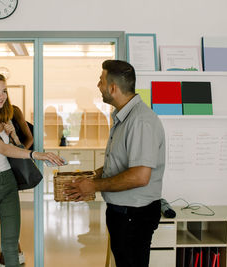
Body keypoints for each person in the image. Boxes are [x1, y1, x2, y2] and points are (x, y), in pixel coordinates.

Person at [65, 60, 165, 267]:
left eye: (100, 81)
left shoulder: (140, 121)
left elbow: (140, 176)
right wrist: (94, 176)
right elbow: (119, 164)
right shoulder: (123, 118)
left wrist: (93, 186)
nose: (98, 86)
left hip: (134, 216)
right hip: (123, 213)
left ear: (113, 87)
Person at [0, 73, 64, 267]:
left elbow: (14, 150)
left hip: (8, 183)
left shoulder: (5, 123)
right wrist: (38, 154)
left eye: (4, 91)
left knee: (11, 245)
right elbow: (1, 149)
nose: (1, 96)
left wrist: (14, 136)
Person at [0, 104, 33, 265]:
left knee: (8, 210)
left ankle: (9, 252)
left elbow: (29, 138)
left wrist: (16, 155)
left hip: (11, 166)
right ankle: (15, 250)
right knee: (3, 211)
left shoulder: (14, 111)